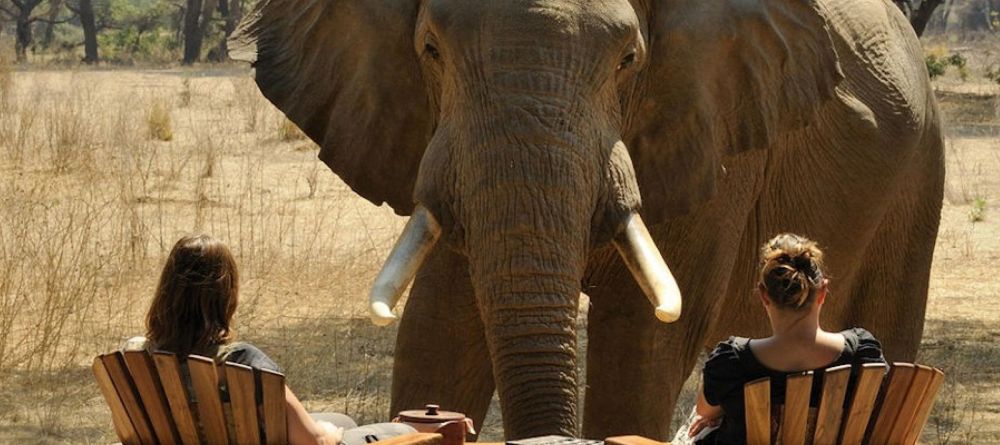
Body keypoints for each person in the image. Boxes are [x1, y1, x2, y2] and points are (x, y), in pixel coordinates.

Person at [125, 234, 414, 445]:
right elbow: (312, 441)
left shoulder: (138, 356)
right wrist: (329, 433)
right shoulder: (241, 361)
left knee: (345, 419)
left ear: (166, 291)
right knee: (403, 434)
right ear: (226, 295)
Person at [681, 233, 887, 444]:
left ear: (763, 295)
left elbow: (705, 411)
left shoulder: (730, 362)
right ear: (823, 291)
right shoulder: (862, 355)